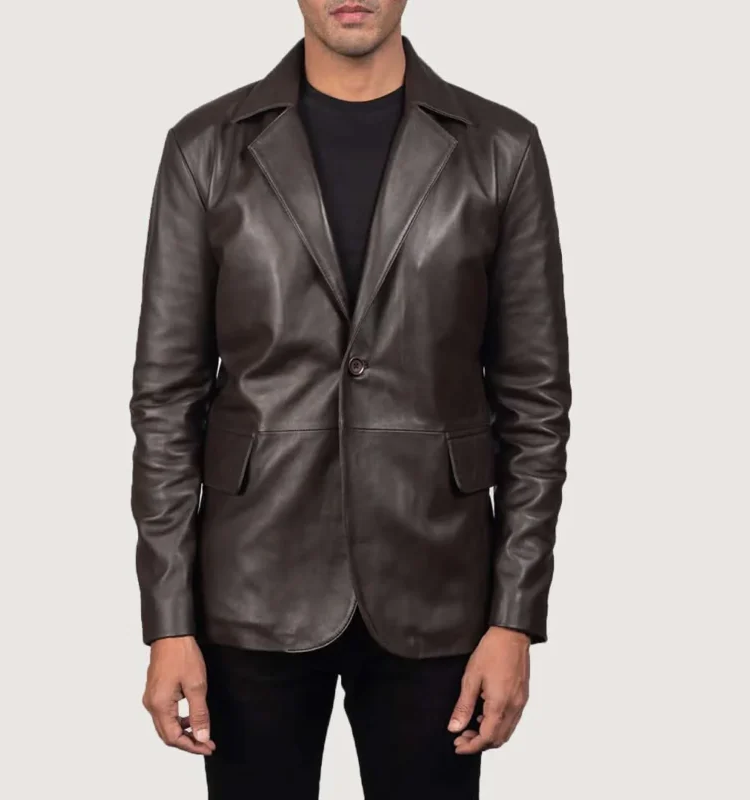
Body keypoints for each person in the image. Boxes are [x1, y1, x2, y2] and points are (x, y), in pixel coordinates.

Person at [129, 1, 571, 797]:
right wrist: (168, 621)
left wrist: (514, 616)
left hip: (439, 585)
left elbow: (534, 404)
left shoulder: (500, 149)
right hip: (250, 583)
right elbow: (166, 401)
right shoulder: (206, 148)